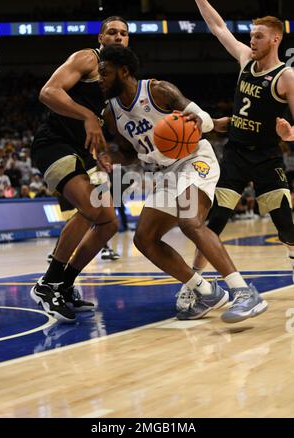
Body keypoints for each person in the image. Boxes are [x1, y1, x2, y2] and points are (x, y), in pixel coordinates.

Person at [98, 44, 268, 323]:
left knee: (191, 222)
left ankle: (244, 293)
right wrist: (109, 156)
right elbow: (129, 154)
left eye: (105, 73)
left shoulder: (158, 90)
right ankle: (205, 291)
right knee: (144, 239)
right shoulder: (110, 114)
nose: (100, 79)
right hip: (164, 172)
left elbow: (200, 118)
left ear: (124, 71)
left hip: (194, 158)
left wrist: (202, 120)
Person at [184, 0, 294, 298]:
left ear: (275, 39)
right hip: (234, 155)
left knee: (287, 227)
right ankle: (196, 284)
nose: (251, 40)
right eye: (251, 35)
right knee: (212, 223)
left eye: (258, 36)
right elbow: (218, 27)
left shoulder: (286, 77)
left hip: (267, 158)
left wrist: (289, 134)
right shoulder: (245, 59)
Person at [30, 17, 129, 322]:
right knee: (90, 207)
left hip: (80, 152)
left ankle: (65, 285)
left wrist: (102, 153)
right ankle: (47, 284)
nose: (118, 36)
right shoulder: (87, 58)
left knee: (109, 222)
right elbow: (48, 92)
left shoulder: (117, 81)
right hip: (53, 143)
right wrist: (86, 114)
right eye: (112, 31)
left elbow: (102, 127)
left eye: (124, 33)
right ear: (101, 37)